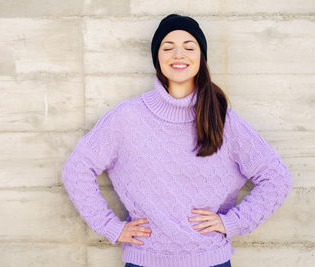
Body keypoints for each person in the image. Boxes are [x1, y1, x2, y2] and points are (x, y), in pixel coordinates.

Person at [60, 14, 293, 267]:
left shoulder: (223, 119)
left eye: (189, 47)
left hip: (210, 261)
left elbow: (277, 178)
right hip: (144, 261)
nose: (178, 54)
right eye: (168, 48)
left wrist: (232, 223)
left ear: (201, 57)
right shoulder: (126, 117)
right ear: (157, 58)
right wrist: (110, 227)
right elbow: (76, 169)